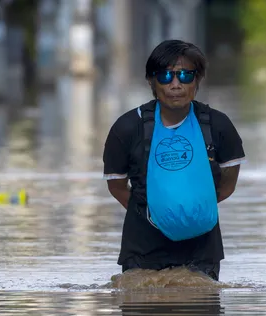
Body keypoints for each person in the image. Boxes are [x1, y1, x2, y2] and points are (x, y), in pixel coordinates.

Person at [102, 39, 245, 281]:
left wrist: (189, 209)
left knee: (200, 311)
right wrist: (157, 211)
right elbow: (116, 186)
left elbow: (228, 183)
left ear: (197, 81)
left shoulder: (218, 126)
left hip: (202, 249)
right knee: (140, 305)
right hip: (143, 249)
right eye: (166, 76)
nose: (176, 85)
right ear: (151, 81)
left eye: (185, 76)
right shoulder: (127, 128)